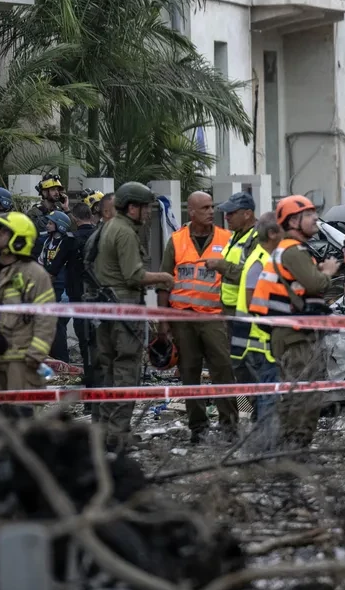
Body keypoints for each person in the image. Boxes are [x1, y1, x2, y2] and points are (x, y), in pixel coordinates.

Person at [248, 195, 340, 447]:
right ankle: (294, 448)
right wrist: (328, 273)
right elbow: (315, 285)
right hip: (295, 334)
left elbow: (301, 288)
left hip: (289, 332)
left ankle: (286, 448)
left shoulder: (288, 251)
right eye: (309, 215)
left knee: (294, 393)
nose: (315, 219)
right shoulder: (293, 250)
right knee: (304, 394)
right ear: (293, 221)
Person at [92, 181, 175, 451]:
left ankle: (104, 432)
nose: (149, 213)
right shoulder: (124, 232)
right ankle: (118, 435)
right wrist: (164, 276)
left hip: (107, 309)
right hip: (125, 308)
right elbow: (134, 276)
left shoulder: (109, 226)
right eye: (145, 208)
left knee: (109, 371)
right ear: (132, 208)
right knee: (126, 371)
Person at [157, 191, 239, 443]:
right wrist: (163, 322)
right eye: (204, 207)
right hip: (184, 320)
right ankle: (198, 428)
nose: (210, 211)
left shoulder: (227, 239)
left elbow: (237, 273)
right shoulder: (177, 240)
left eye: (212, 206)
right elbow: (164, 283)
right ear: (191, 212)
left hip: (215, 317)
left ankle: (230, 427)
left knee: (223, 371)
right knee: (189, 373)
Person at [0, 212, 57, 395]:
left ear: (19, 240)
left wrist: (35, 354)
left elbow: (46, 318)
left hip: (21, 361)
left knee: (21, 417)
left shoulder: (35, 274)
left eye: (3, 232)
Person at [232, 212, 284, 429]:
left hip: (259, 337)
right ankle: (264, 442)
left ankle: (259, 435)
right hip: (257, 339)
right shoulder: (260, 261)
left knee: (264, 393)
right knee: (266, 395)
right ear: (272, 234)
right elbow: (252, 300)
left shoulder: (267, 258)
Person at [63, 202, 100, 410]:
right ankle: (101, 397)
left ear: (75, 220)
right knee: (101, 350)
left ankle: (89, 400)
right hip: (101, 303)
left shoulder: (71, 241)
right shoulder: (101, 237)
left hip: (79, 302)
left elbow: (53, 265)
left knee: (86, 350)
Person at [205, 191, 259, 316]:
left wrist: (221, 265)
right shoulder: (236, 235)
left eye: (231, 213)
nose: (226, 217)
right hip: (230, 307)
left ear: (247, 214)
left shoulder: (258, 238)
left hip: (245, 309)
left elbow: (252, 276)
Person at [35, 209, 73, 360]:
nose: (47, 225)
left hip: (62, 289)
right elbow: (41, 262)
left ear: (60, 226)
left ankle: (63, 360)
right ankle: (51, 359)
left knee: (59, 325)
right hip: (47, 288)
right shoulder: (46, 242)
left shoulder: (66, 243)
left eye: (51, 223)